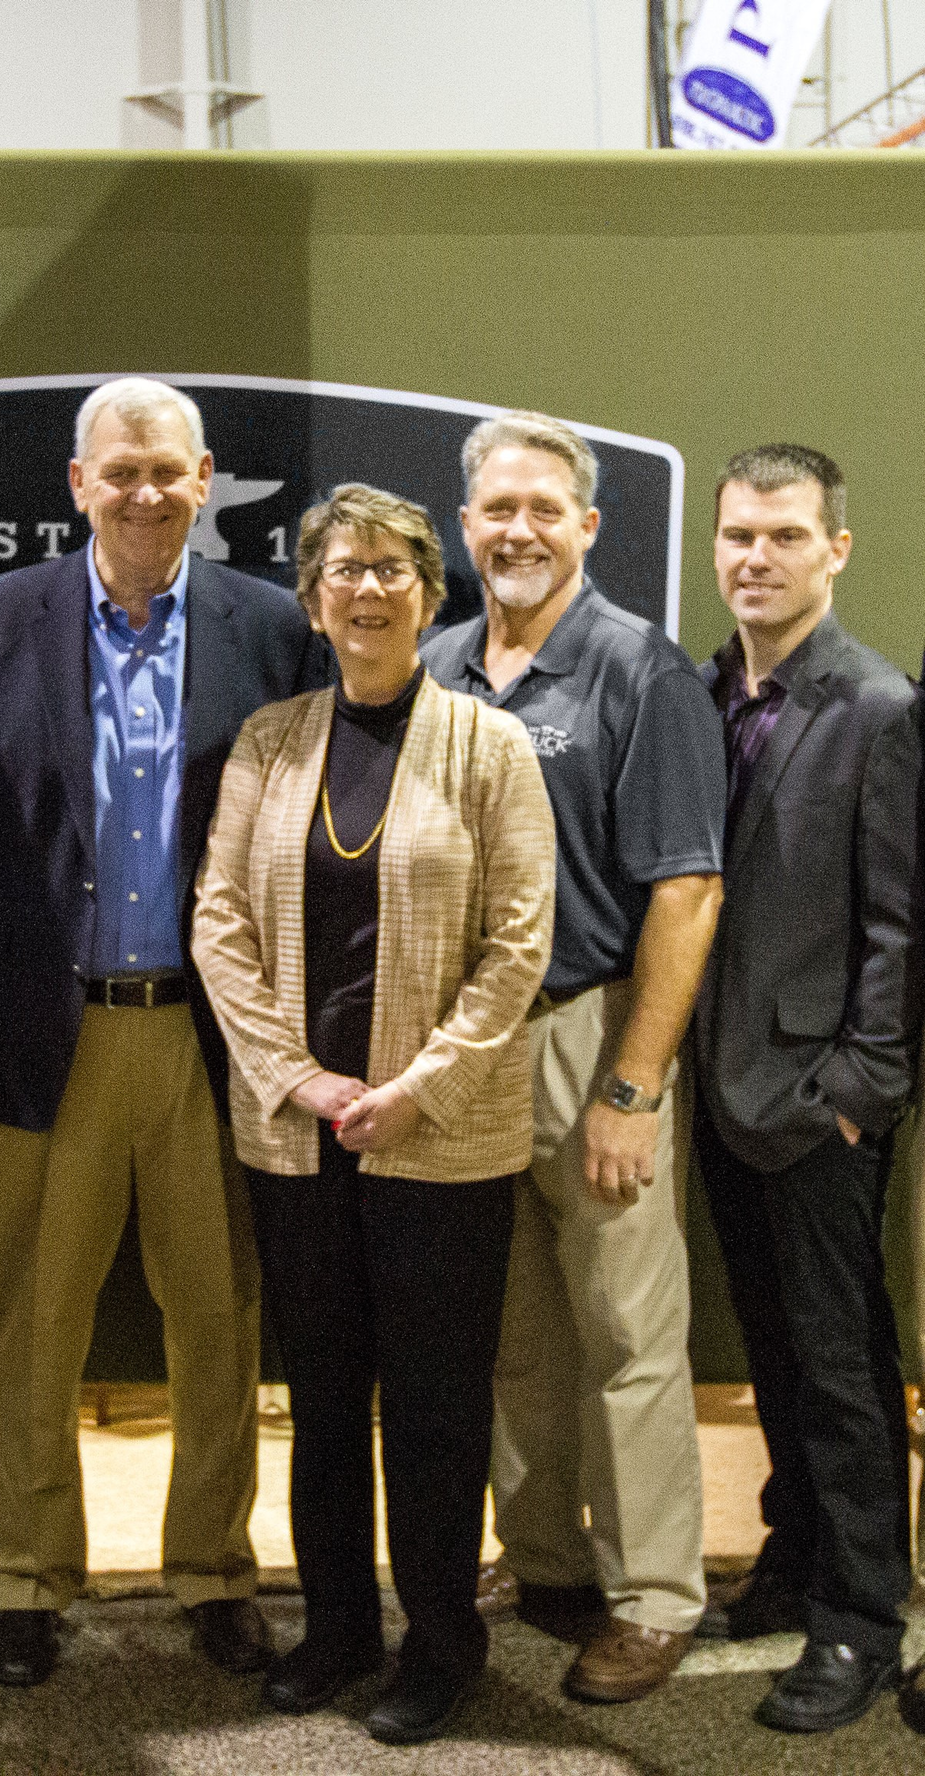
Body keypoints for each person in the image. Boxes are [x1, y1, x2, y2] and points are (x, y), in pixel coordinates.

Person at [0, 377, 327, 1687]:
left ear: (205, 482)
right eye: (120, 470)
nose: (145, 491)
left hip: (212, 1038)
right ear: (76, 482)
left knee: (219, 1316)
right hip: (48, 1027)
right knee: (32, 1316)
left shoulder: (275, 628)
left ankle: (211, 1568)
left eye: (168, 471)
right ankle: (32, 1576)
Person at [193, 483, 554, 1743]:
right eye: (343, 568)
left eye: (394, 568)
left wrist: (416, 1089)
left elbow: (520, 946)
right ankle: (338, 1627)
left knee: (440, 1406)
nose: (367, 588)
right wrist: (301, 1081)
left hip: (442, 1141)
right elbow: (219, 925)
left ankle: (441, 1641)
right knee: (326, 1397)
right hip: (301, 1134)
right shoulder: (267, 742)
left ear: (429, 591)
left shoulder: (489, 746)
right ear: (310, 596)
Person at [423, 411, 725, 1703]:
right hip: (466, 1044)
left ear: (590, 527)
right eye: (499, 509)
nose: (520, 530)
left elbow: (687, 893)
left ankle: (655, 1593)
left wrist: (631, 1084)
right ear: (466, 525)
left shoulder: (636, 672)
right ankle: (541, 1557)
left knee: (627, 1331)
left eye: (547, 509)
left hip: (590, 1031)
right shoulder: (436, 665)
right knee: (516, 1335)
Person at [690, 445, 918, 1732]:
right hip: (725, 1088)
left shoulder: (877, 707)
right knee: (774, 1352)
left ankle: (861, 1619)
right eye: (737, 537)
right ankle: (793, 1558)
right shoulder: (706, 689)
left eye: (783, 536)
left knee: (839, 1366)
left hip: (820, 1102)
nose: (755, 558)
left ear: (835, 548)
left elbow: (898, 926)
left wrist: (859, 1090)